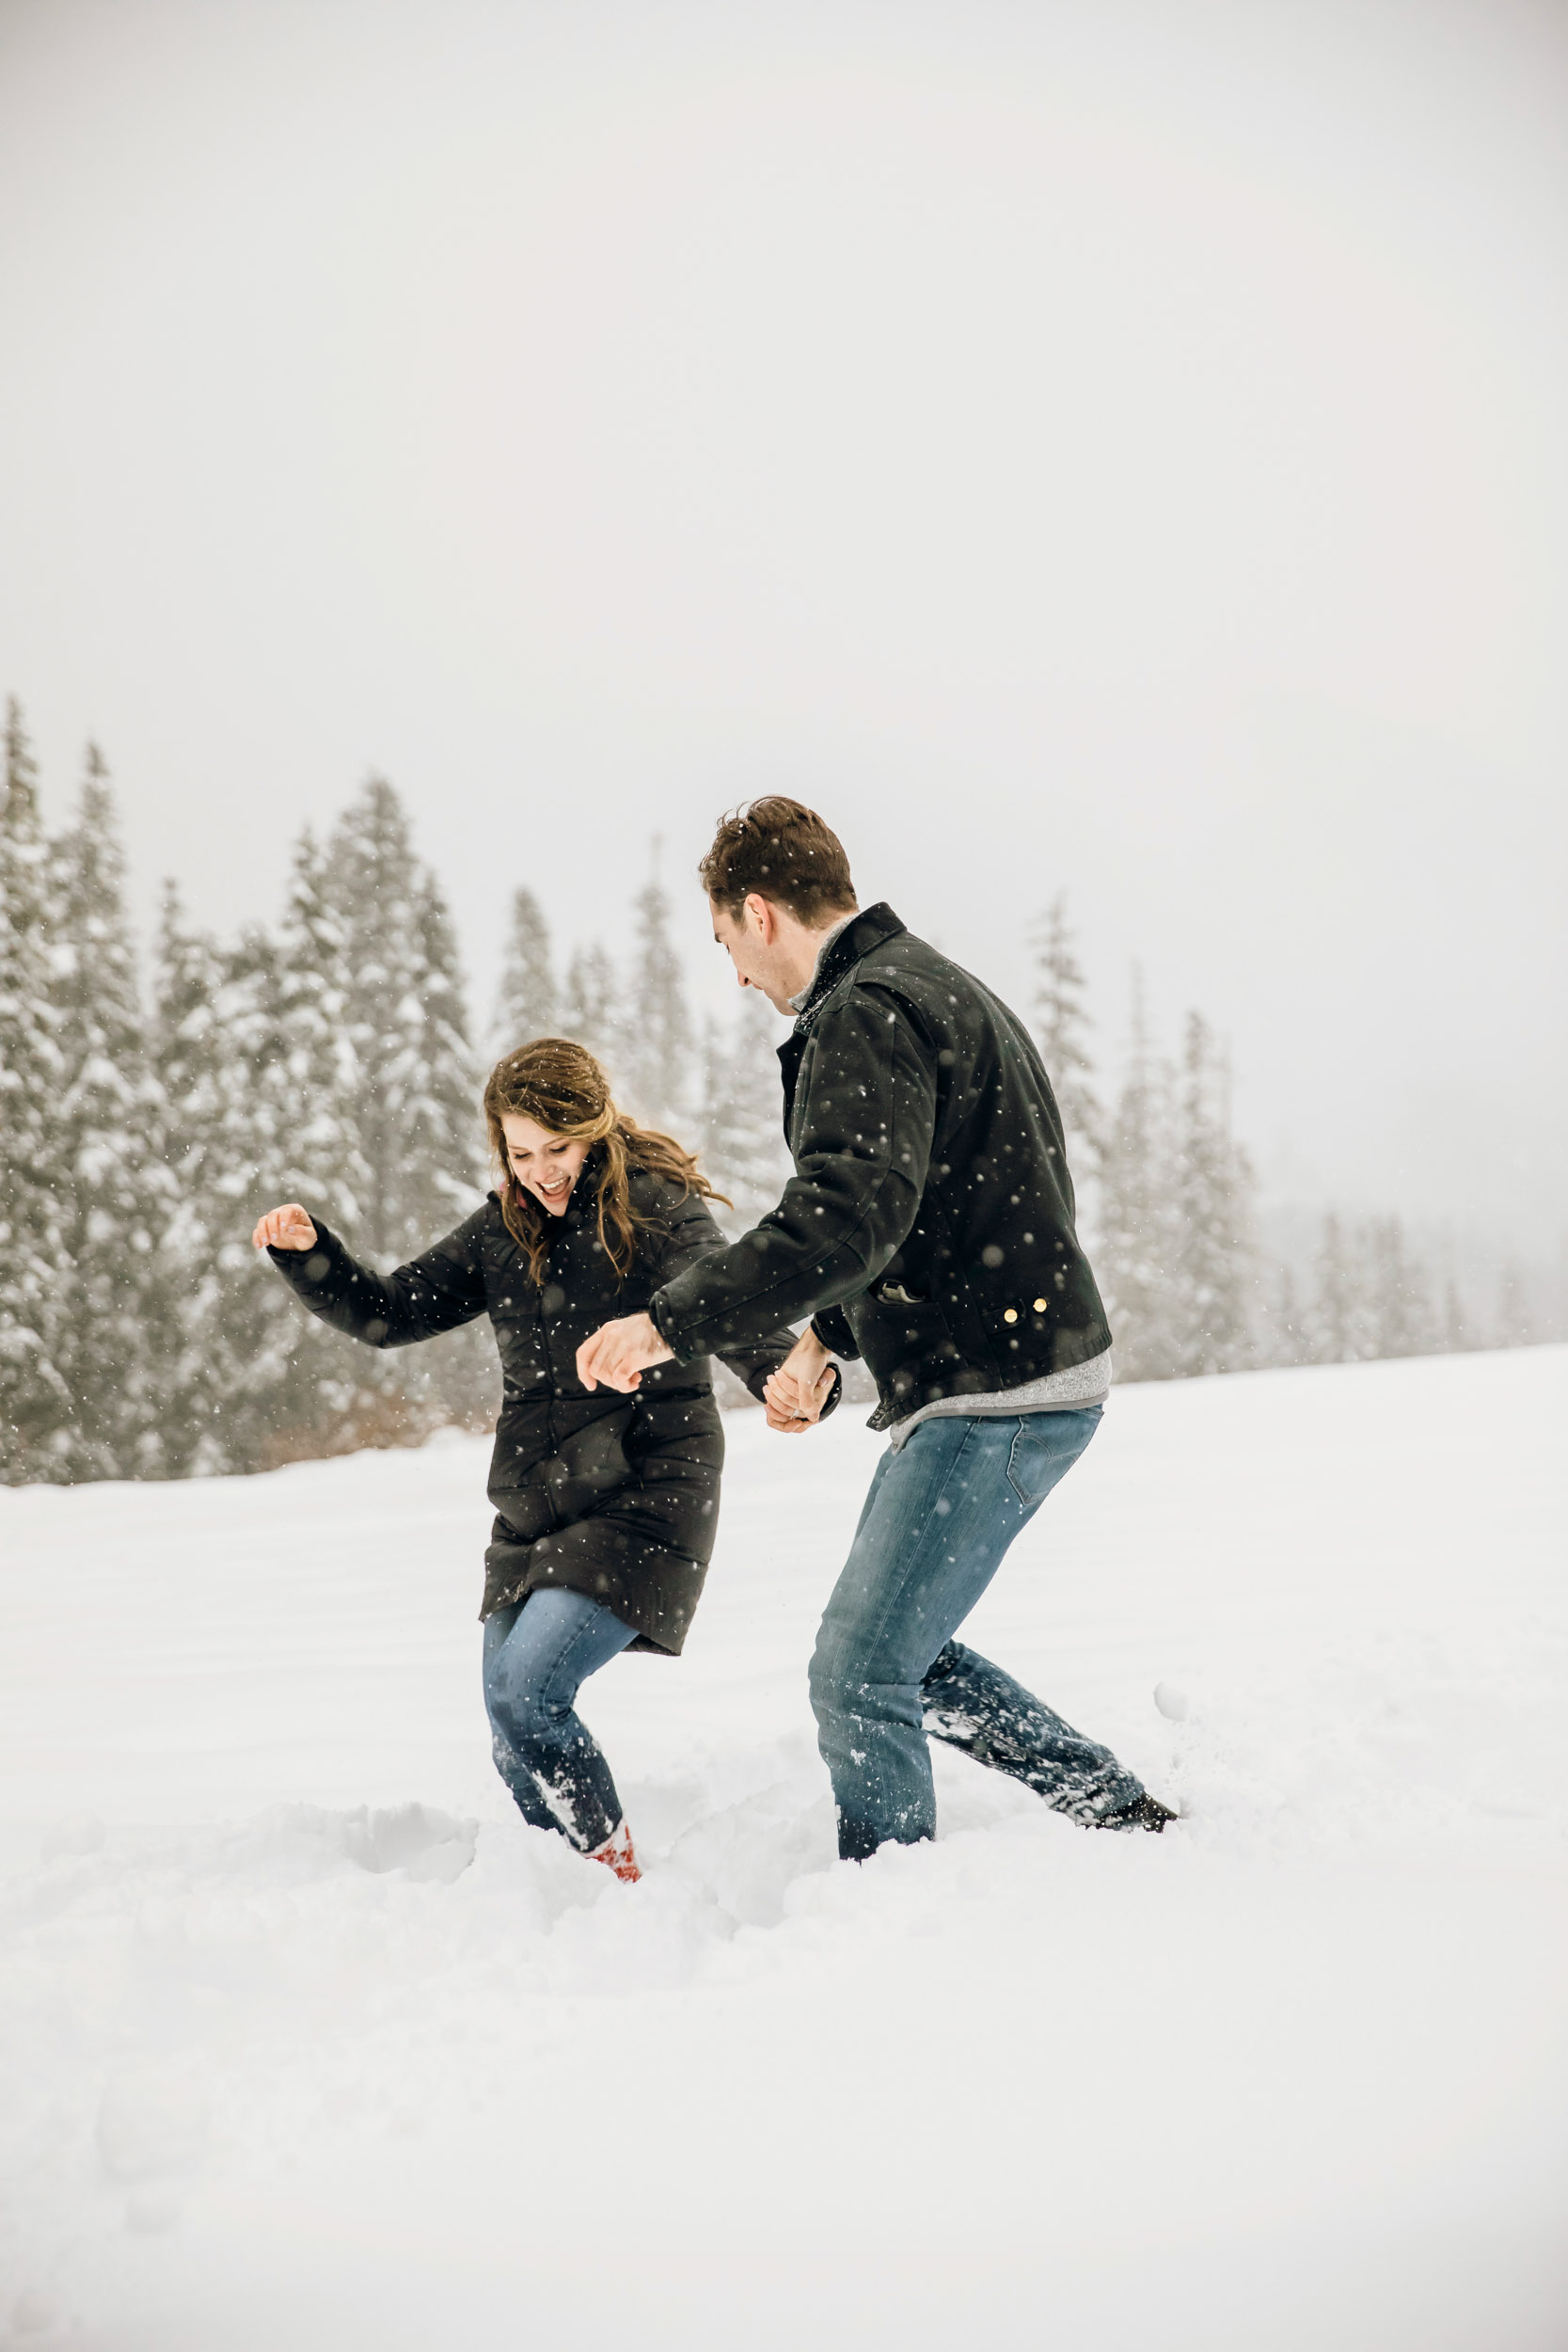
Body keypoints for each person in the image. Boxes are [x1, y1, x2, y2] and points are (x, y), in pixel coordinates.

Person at [578, 798, 1173, 1861]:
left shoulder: (864, 1008)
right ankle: (1115, 1811)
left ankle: (890, 1909)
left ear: (758, 913)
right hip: (1019, 1370)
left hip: (993, 1393)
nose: (735, 974)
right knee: (903, 1648)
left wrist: (667, 1322)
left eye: (725, 941)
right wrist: (827, 1343)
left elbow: (847, 1217)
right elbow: (930, 1204)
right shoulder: (934, 984)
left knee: (855, 1673)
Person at [253, 1037, 813, 1883]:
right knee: (510, 1728)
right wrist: (311, 1257)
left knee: (526, 1696)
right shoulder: (499, 1231)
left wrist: (781, 1373)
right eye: (522, 1153)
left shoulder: (652, 1210)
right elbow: (390, 1313)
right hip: (537, 1504)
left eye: (560, 1148)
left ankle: (614, 1876)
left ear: (595, 1129)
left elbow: (720, 1292)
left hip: (648, 1488)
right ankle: (564, 1890)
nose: (543, 1172)